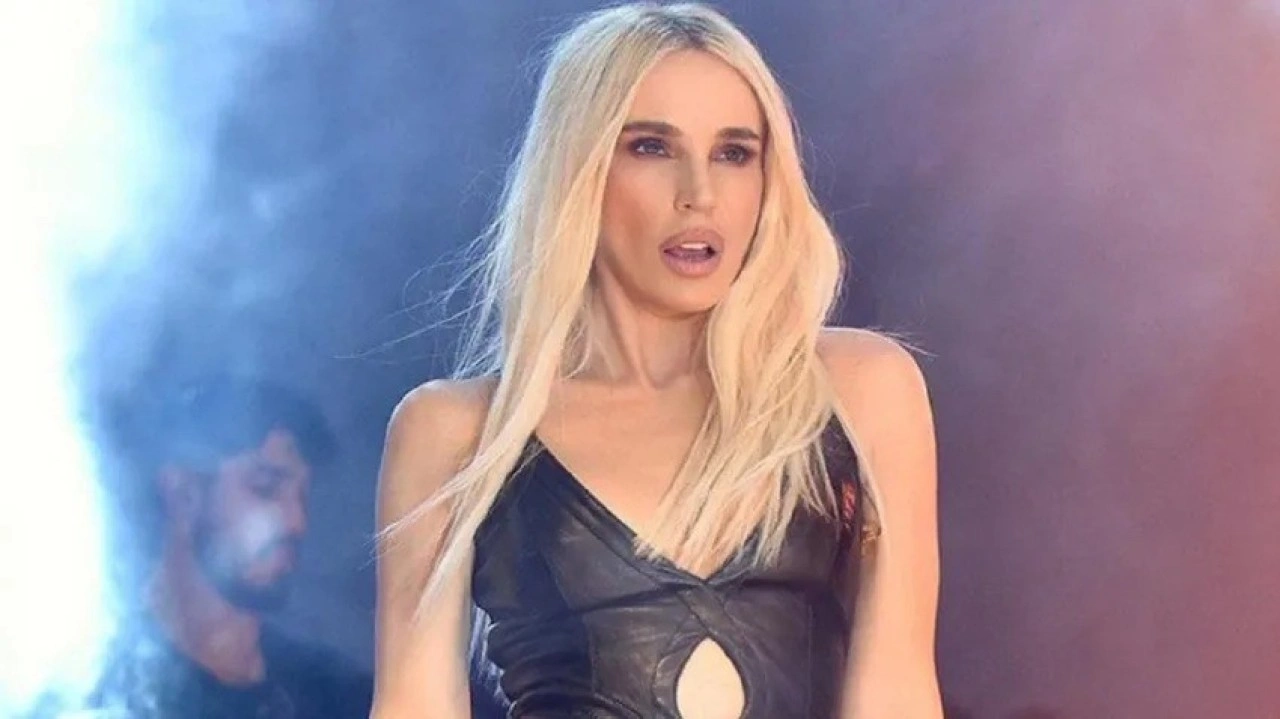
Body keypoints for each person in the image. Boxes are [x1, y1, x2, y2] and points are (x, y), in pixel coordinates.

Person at [372, 3, 941, 718]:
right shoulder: (456, 431)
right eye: (652, 147)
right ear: (579, 171)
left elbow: (898, 694)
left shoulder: (860, 390)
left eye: (734, 153)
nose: (699, 195)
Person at [90, 374, 373, 718]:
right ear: (183, 492)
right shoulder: (97, 691)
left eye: (302, 496)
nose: (297, 521)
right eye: (265, 487)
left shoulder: (338, 694)